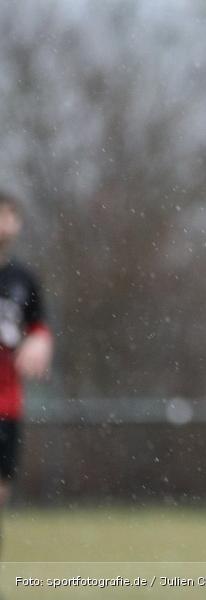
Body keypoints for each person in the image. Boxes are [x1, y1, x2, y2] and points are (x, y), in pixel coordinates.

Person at [0, 191, 52, 552]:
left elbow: (39, 326)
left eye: (9, 215)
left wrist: (40, 341)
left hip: (6, 402)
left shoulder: (23, 279)